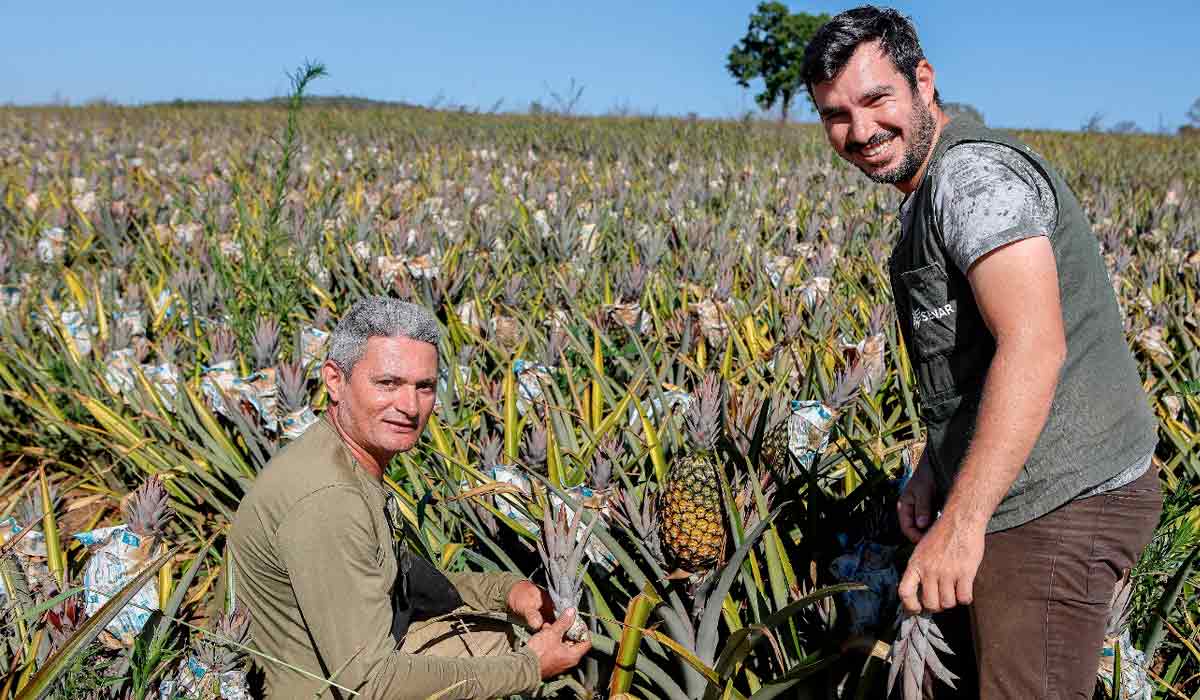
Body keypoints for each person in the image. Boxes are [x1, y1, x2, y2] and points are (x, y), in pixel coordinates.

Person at [802, 7, 1162, 698]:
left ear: (922, 81)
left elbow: (1033, 346)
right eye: (835, 115)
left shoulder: (971, 181)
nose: (861, 131)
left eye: (877, 99)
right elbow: (971, 359)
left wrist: (962, 524)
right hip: (1026, 488)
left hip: (1062, 499)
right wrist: (933, 473)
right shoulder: (933, 186)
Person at [229, 296, 590, 699]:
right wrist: (527, 668)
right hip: (323, 690)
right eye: (387, 383)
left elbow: (393, 584)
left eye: (424, 387)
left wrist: (506, 591)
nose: (409, 406)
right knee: (508, 656)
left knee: (498, 635)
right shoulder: (330, 501)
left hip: (344, 664)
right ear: (335, 380)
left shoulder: (341, 457)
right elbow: (371, 682)